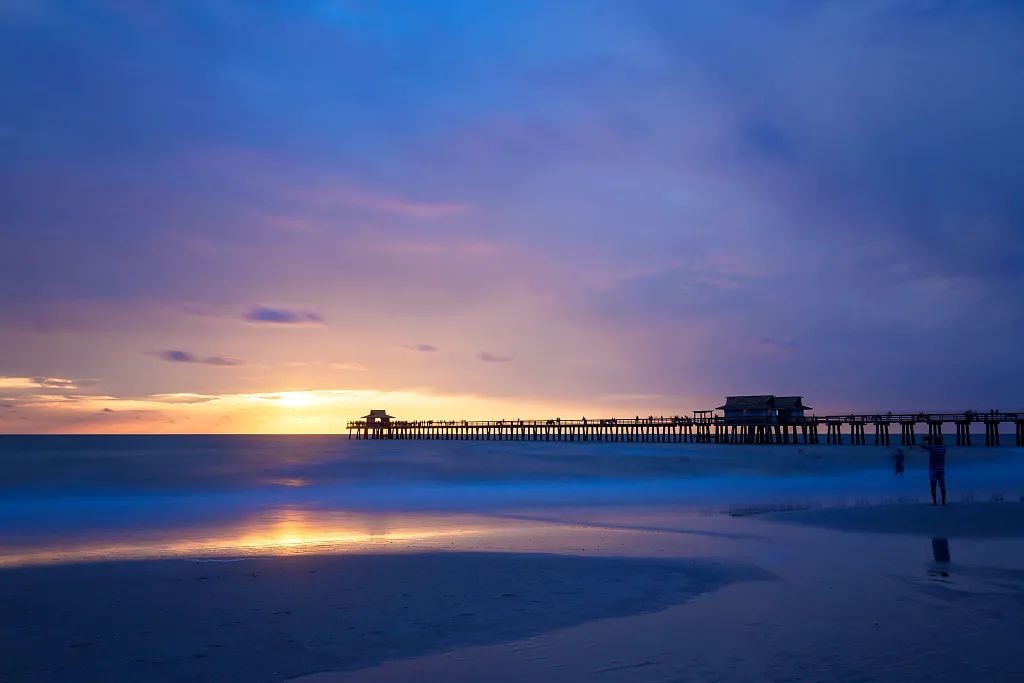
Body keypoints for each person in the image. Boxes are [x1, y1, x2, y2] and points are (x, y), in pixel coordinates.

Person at [921, 436, 947, 505]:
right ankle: (943, 502)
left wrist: (924, 439)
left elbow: (922, 446)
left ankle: (934, 502)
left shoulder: (932, 448)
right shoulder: (943, 448)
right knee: (942, 486)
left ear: (935, 441)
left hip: (932, 470)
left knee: (933, 487)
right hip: (941, 470)